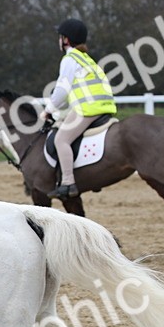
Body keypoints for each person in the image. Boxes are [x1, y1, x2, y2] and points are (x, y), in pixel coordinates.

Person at [46, 19, 117, 199]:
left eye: (60, 37)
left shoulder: (69, 59)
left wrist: (48, 110)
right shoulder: (87, 59)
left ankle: (68, 182)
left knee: (61, 140)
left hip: (87, 108)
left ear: (66, 40)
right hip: (103, 106)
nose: (59, 40)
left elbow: (62, 91)